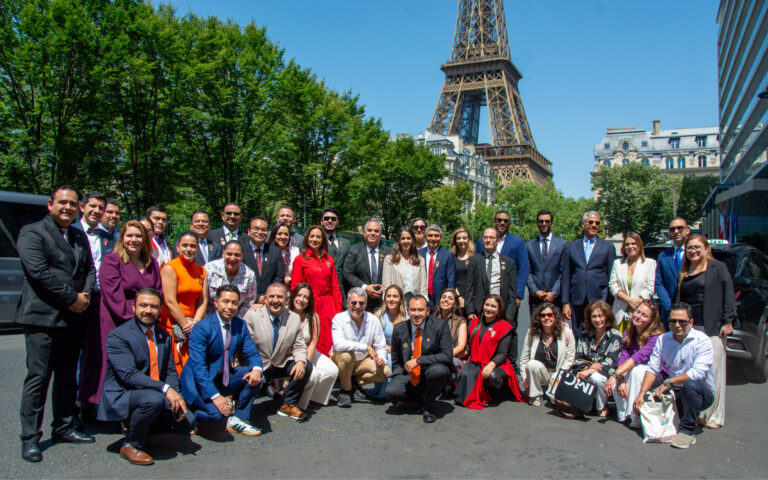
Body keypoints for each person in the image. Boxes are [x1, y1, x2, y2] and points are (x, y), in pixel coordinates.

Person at [17, 185, 96, 462]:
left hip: (73, 319)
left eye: (73, 204)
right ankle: (30, 437)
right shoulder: (32, 233)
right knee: (38, 378)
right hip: (43, 319)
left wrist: (85, 296)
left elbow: (89, 269)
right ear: (50, 204)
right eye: (63, 202)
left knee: (66, 377)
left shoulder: (78, 235)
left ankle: (63, 427)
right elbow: (39, 272)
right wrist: (72, 298)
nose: (68, 208)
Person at [97, 289, 195, 465]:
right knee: (152, 400)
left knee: (188, 422)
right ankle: (131, 444)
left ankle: (142, 429)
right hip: (125, 394)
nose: (148, 310)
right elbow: (129, 376)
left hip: (153, 392)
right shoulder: (119, 336)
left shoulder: (163, 336)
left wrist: (177, 397)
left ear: (160, 309)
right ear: (134, 307)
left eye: (154, 307)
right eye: (143, 305)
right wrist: (165, 389)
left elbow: (170, 372)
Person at [79, 220, 162, 413]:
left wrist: (149, 313)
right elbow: (112, 294)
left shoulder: (152, 263)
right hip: (113, 318)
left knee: (138, 362)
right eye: (129, 235)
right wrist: (138, 314)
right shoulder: (112, 260)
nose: (134, 240)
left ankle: (134, 405)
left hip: (144, 319)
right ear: (122, 238)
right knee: (109, 362)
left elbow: (158, 291)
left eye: (138, 236)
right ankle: (101, 407)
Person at [180, 285, 263, 436]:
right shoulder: (202, 327)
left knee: (257, 375)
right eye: (225, 301)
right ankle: (191, 414)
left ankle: (239, 419)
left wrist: (257, 369)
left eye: (234, 303)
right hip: (198, 383)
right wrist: (215, 396)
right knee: (217, 416)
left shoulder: (240, 325)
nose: (230, 307)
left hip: (222, 377)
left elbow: (251, 351)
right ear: (216, 302)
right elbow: (199, 367)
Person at [633, 302, 715, 449]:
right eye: (673, 321)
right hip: (674, 391)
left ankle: (687, 432)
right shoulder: (663, 339)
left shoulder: (702, 341)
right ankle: (640, 414)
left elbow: (697, 373)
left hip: (700, 393)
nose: (677, 325)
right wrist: (642, 393)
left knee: (690, 385)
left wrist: (668, 382)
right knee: (640, 371)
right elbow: (653, 368)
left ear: (691, 322)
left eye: (682, 322)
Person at [675, 233, 736, 429]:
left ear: (706, 248)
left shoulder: (717, 267)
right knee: (693, 371)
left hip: (712, 327)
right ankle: (698, 413)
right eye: (689, 248)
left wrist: (728, 320)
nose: (693, 251)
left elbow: (728, 294)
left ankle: (714, 415)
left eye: (697, 247)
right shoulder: (685, 271)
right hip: (690, 329)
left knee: (713, 371)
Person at [244, 283, 312, 421]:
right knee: (246, 407)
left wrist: (300, 362)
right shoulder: (252, 315)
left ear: (286, 300)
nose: (275, 300)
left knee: (306, 365)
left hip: (280, 363)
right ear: (265, 299)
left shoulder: (293, 318)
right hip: (257, 364)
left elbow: (299, 345)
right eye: (272, 296)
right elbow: (245, 346)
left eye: (279, 297)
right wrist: (255, 367)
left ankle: (288, 404)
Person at [386, 295, 452, 423]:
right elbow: (396, 361)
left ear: (427, 311)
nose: (417, 314)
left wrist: (418, 360)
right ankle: (419, 398)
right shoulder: (399, 329)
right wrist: (397, 378)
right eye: (413, 310)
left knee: (439, 372)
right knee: (392, 391)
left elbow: (447, 355)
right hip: (410, 374)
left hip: (430, 370)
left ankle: (429, 407)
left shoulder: (440, 326)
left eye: (421, 310)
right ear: (407, 311)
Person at [454, 295, 525, 409]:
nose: (489, 308)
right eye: (487, 305)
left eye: (493, 306)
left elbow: (502, 353)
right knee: (464, 374)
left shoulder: (504, 326)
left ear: (499, 310)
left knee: (492, 376)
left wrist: (491, 365)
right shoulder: (474, 322)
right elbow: (469, 345)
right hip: (475, 360)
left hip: (497, 363)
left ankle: (496, 393)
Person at [605, 300, 665, 427]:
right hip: (636, 371)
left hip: (656, 376)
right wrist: (620, 379)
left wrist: (616, 375)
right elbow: (623, 358)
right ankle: (624, 414)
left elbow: (638, 357)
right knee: (620, 376)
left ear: (651, 321)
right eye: (638, 312)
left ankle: (636, 415)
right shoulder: (628, 333)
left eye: (644, 315)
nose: (638, 316)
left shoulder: (656, 337)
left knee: (637, 371)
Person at [465, 227, 518, 365]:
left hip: (501, 312)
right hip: (479, 312)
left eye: (492, 237)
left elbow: (512, 292)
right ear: (482, 240)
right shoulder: (474, 260)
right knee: (480, 346)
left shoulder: (508, 262)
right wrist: (470, 311)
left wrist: (510, 316)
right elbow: (469, 288)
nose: (488, 240)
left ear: (498, 240)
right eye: (485, 237)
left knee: (503, 346)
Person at [331, 288, 390, 407]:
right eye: (354, 303)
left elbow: (380, 345)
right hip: (341, 359)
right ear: (348, 303)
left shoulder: (373, 320)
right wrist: (366, 347)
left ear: (366, 305)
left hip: (361, 361)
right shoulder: (339, 318)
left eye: (361, 303)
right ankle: (346, 390)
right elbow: (338, 344)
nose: (357, 306)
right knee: (347, 355)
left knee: (385, 372)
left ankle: (353, 383)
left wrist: (381, 359)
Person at [562, 211, 617, 337]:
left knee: (598, 333)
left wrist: (609, 302)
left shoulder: (607, 247)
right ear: (583, 224)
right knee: (578, 334)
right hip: (577, 299)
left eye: (597, 223)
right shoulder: (571, 246)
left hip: (599, 298)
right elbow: (566, 276)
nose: (594, 225)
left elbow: (611, 275)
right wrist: (565, 303)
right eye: (591, 222)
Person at [159, 232, 208, 375]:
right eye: (185, 245)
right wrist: (185, 326)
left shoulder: (201, 270)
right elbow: (170, 301)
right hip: (172, 327)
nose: (188, 249)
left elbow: (203, 300)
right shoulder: (170, 268)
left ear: (197, 248)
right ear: (177, 247)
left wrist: (195, 323)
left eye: (192, 246)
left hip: (192, 326)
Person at [291, 225, 343, 356]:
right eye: (312, 236)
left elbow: (335, 286)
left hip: (328, 304)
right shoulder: (300, 259)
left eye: (318, 237)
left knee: (329, 338)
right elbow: (295, 286)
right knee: (311, 337)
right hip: (309, 304)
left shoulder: (329, 259)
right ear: (307, 238)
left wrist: (337, 309)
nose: (314, 239)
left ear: (323, 240)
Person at [289, 283, 339, 409]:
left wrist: (306, 362)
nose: (301, 299)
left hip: (308, 352)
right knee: (313, 375)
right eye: (299, 295)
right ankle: (297, 403)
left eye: (306, 297)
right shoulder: (285, 313)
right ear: (293, 296)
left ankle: (311, 397)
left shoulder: (313, 316)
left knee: (332, 371)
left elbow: (313, 342)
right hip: (289, 354)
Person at [569, 300, 622, 417]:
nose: (598, 320)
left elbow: (611, 362)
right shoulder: (584, 335)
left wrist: (592, 370)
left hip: (606, 376)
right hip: (585, 373)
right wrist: (589, 367)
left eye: (600, 316)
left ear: (607, 317)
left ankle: (601, 406)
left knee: (596, 377)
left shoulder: (615, 336)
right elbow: (577, 360)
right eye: (594, 316)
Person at [519, 303, 575, 406]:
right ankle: (535, 394)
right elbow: (524, 358)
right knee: (532, 364)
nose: (546, 318)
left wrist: (557, 375)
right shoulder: (532, 333)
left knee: (554, 401)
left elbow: (570, 359)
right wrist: (525, 379)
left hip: (558, 373)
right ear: (539, 318)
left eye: (550, 315)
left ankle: (552, 391)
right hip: (541, 372)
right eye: (543, 315)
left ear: (555, 316)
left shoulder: (566, 333)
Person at [476, 210, 530, 313]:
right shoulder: (482, 241)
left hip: (507, 295)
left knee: (507, 321)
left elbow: (523, 269)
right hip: (484, 294)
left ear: (509, 224)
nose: (502, 223)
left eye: (505, 221)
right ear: (494, 222)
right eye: (499, 220)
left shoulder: (518, 243)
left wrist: (518, 295)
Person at [608, 232, 656, 333]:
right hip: (620, 310)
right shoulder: (618, 263)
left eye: (633, 243)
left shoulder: (649, 263)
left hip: (640, 311)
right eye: (627, 244)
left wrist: (636, 304)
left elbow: (650, 288)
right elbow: (612, 285)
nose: (630, 246)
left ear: (639, 245)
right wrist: (629, 300)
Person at [368, 284, 408, 399]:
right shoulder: (378, 315)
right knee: (389, 358)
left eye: (395, 296)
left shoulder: (407, 315)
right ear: (384, 298)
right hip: (383, 350)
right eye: (388, 296)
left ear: (400, 299)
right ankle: (385, 392)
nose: (391, 299)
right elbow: (373, 340)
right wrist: (390, 349)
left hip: (403, 350)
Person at [342, 218, 389, 312]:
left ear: (380, 234)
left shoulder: (388, 252)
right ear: (364, 232)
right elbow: (347, 273)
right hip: (360, 302)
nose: (373, 233)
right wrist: (365, 287)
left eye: (376, 231)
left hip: (382, 302)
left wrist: (385, 288)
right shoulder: (354, 250)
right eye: (369, 230)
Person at [72, 191, 115, 290]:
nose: (96, 210)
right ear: (82, 207)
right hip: (77, 292)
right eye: (93, 206)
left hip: (102, 293)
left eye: (101, 208)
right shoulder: (71, 232)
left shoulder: (109, 238)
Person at [526, 209, 567, 313]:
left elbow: (564, 272)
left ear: (551, 224)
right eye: (541, 221)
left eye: (547, 221)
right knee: (536, 324)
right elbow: (527, 272)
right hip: (536, 299)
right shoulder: (529, 245)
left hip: (555, 299)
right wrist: (535, 291)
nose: (544, 224)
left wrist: (554, 292)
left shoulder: (562, 245)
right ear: (537, 223)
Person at [204, 241, 258, 317]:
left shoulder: (249, 275)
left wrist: (234, 320)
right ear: (223, 253)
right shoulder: (209, 269)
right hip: (209, 316)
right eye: (229, 254)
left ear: (242, 256)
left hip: (234, 317)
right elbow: (202, 299)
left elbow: (248, 302)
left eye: (237, 255)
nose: (232, 258)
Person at [241, 216, 285, 303]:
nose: (260, 232)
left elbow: (279, 277)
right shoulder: (241, 250)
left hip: (269, 301)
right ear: (249, 231)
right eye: (256, 229)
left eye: (264, 230)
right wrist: (256, 297)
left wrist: (268, 296)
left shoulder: (275, 252)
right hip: (245, 301)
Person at [656, 217, 690, 326]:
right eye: (672, 229)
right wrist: (669, 307)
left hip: (690, 311)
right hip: (669, 313)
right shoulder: (663, 256)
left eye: (680, 228)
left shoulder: (693, 254)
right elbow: (659, 283)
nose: (676, 231)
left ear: (687, 230)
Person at [382, 226, 428, 302]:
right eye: (403, 238)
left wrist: (422, 302)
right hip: (396, 302)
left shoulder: (420, 260)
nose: (406, 241)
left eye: (408, 238)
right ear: (399, 240)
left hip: (414, 303)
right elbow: (386, 284)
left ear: (413, 240)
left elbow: (423, 286)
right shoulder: (389, 259)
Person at [419, 224, 455, 308]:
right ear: (425, 237)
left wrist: (450, 298)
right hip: (422, 297)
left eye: (436, 236)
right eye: (430, 235)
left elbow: (451, 280)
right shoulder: (418, 254)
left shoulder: (447, 255)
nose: (433, 238)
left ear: (441, 237)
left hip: (441, 300)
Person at [431, 289, 468, 371]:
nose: (446, 300)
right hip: (433, 358)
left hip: (452, 358)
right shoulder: (432, 320)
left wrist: (443, 357)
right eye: (444, 297)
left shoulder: (460, 321)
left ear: (455, 304)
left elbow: (461, 346)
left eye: (450, 298)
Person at [321, 207, 349, 300]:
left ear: (338, 222)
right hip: (323, 290)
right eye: (326, 218)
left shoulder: (346, 243)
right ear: (321, 221)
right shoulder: (316, 242)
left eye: (333, 219)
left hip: (342, 292)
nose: (330, 221)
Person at [449, 227, 474, 311]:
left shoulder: (475, 257)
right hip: (456, 298)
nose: (461, 240)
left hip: (472, 298)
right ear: (455, 240)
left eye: (464, 238)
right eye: (458, 238)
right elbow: (451, 280)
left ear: (469, 239)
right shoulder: (451, 257)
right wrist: (459, 297)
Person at [269, 221, 300, 285]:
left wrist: (290, 279)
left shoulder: (295, 251)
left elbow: (298, 274)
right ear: (274, 235)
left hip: (290, 288)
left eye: (286, 234)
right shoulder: (267, 251)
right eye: (279, 234)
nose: (283, 237)